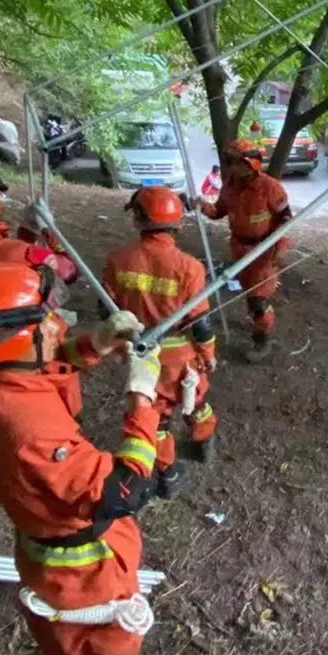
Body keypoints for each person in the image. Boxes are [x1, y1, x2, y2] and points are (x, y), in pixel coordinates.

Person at [0, 261, 158, 655]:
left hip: (52, 557)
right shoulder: (33, 433)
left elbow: (43, 371)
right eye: (47, 321)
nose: (60, 325)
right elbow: (124, 492)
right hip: (84, 576)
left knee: (68, 652)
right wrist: (143, 400)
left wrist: (96, 343)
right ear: (17, 339)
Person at [103, 186, 218, 498]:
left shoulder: (117, 261)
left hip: (143, 357)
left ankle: (168, 474)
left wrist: (118, 344)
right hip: (181, 355)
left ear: (137, 220)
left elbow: (108, 311)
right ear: (178, 224)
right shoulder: (190, 268)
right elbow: (200, 323)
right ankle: (204, 441)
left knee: (156, 418)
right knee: (197, 401)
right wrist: (208, 354)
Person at [199, 140, 291, 358]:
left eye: (237, 162)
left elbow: (286, 217)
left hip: (264, 249)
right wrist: (202, 206)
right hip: (239, 248)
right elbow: (218, 211)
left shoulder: (269, 187)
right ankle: (257, 320)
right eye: (230, 162)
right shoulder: (229, 186)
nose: (233, 167)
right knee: (250, 292)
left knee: (258, 298)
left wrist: (279, 244)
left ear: (251, 164)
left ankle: (262, 342)